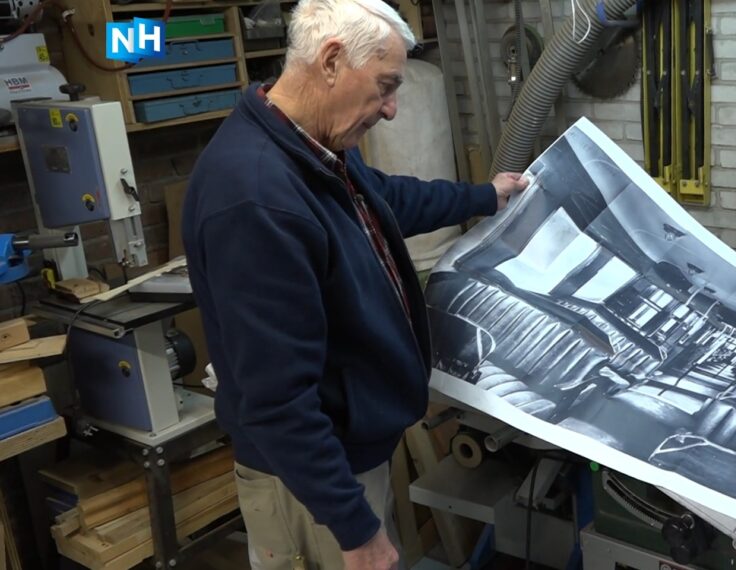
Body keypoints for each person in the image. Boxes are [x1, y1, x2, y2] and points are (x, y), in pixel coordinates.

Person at [181, 1, 528, 568]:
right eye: (386, 86)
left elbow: (385, 200)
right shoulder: (257, 197)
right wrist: (354, 528)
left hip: (347, 454)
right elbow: (276, 400)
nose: (392, 110)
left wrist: (484, 197)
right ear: (333, 61)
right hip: (311, 482)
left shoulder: (314, 149)